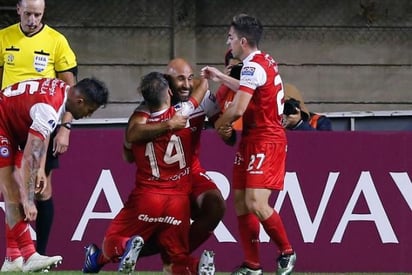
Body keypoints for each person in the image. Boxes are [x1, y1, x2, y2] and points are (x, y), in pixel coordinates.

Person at [82, 72, 215, 275]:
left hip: (147, 198)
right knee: (176, 257)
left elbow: (128, 147)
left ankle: (127, 245)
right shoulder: (184, 115)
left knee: (111, 241)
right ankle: (197, 266)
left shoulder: (138, 128)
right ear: (170, 92)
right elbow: (202, 89)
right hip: (178, 203)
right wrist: (206, 76)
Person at [201, 14, 297, 275]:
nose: (228, 41)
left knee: (256, 201)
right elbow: (248, 86)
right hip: (252, 139)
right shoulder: (261, 61)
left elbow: (239, 108)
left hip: (267, 139)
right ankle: (252, 265)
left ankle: (287, 252)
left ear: (242, 41)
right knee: (242, 202)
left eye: (230, 37)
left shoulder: (253, 67)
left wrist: (220, 123)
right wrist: (221, 77)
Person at [0, 77, 109, 272]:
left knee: (16, 188)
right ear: (80, 101)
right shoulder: (49, 108)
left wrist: (41, 168)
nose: (87, 115)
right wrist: (29, 200)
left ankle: (12, 257)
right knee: (12, 188)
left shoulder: (60, 90)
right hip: (3, 124)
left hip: (12, 126)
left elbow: (41, 138)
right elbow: (28, 157)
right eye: (89, 111)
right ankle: (29, 255)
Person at [125, 57, 226, 264]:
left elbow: (223, 127)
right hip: (162, 179)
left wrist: (226, 129)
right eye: (180, 79)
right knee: (154, 226)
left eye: (189, 78)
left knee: (215, 206)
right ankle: (114, 253)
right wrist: (168, 124)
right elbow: (130, 139)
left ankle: (171, 259)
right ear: (167, 82)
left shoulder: (200, 95)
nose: (186, 84)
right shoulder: (152, 106)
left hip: (190, 171)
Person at [0, 0, 78, 268]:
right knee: (12, 186)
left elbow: (72, 91)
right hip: (10, 118)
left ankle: (37, 254)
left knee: (40, 189)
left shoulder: (56, 41)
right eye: (29, 13)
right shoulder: (3, 37)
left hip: (42, 120)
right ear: (18, 8)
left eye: (38, 14)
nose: (33, 19)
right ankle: (17, 255)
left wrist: (66, 127)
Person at [215, 49, 243, 131]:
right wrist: (225, 79)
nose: (235, 71)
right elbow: (216, 106)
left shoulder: (252, 88)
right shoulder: (225, 90)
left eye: (238, 67)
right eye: (232, 67)